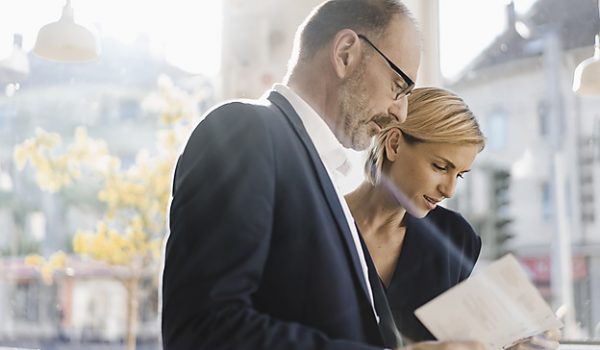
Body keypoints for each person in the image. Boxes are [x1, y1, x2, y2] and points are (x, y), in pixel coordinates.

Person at [161, 1, 485, 349]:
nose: (400, 113)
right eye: (398, 86)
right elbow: (203, 328)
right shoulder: (245, 130)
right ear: (346, 54)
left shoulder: (321, 178)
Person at [345, 87, 561, 349]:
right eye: (440, 167)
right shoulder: (320, 223)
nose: (448, 190)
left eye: (459, 175)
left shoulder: (456, 237)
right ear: (394, 144)